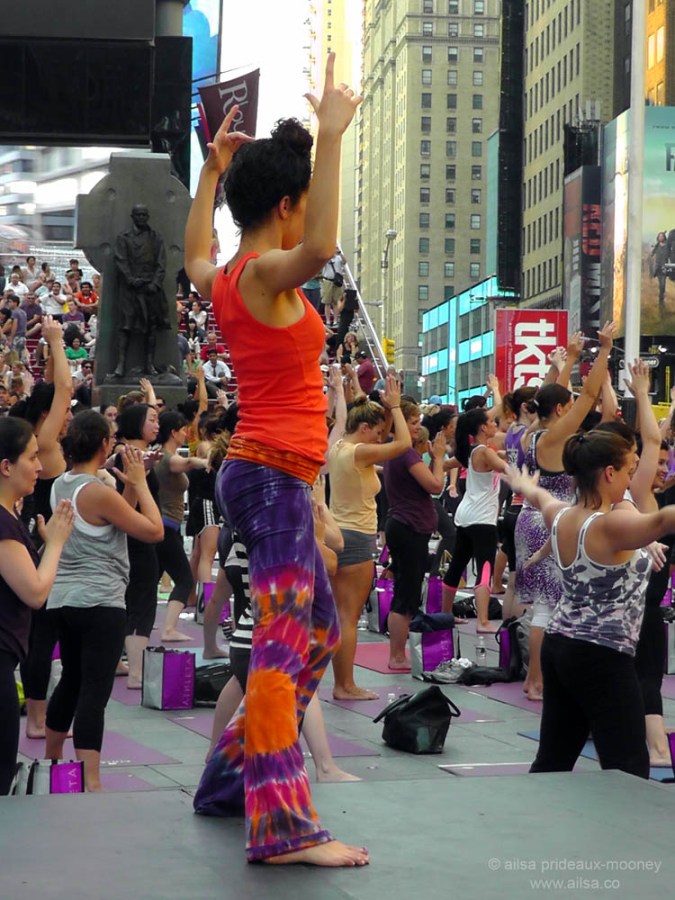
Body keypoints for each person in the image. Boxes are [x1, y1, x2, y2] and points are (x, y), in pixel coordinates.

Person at [184, 55, 367, 866]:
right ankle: (282, 827)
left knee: (315, 633)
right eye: (301, 209)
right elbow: (322, 245)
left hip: (271, 474)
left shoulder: (224, 275)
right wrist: (329, 136)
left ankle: (228, 783)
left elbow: (195, 251)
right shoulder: (260, 272)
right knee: (285, 643)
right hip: (266, 474)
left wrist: (208, 173)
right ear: (285, 206)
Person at [502, 426, 675, 779]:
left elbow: (540, 497)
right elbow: (662, 519)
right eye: (628, 471)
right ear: (609, 473)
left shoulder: (563, 515)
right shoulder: (611, 526)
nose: (630, 479)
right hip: (603, 657)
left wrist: (525, 486)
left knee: (553, 759)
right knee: (628, 768)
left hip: (560, 646)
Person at [44, 411, 163, 791]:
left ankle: (52, 762)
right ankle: (91, 780)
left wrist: (128, 482)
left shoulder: (63, 483)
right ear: (103, 445)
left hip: (65, 599)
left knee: (71, 682)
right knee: (94, 693)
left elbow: (115, 516)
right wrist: (143, 483)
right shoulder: (96, 491)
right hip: (101, 602)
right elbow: (154, 530)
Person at [515, 325, 614, 700]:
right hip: (546, 522)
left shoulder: (530, 433)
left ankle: (537, 678)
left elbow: (549, 396)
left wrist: (568, 361)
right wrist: (603, 350)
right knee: (547, 607)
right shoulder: (555, 436)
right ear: (560, 409)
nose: (574, 408)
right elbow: (590, 395)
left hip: (533, 519)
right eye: (567, 405)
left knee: (546, 603)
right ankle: (535, 680)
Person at [0, 418, 74, 795]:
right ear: (6, 466)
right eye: (32, 457)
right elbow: (34, 592)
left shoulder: (11, 514)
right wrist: (58, 542)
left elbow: (23, 577)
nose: (40, 466)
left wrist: (47, 545)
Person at [328, 376, 410, 699]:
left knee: (341, 614)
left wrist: (387, 410)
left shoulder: (339, 445)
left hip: (339, 534)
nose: (381, 437)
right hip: (357, 537)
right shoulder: (358, 452)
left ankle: (341, 682)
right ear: (364, 431)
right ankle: (344, 685)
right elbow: (402, 445)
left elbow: (385, 434)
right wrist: (395, 407)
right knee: (349, 616)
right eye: (376, 432)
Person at [384, 400, 446, 669]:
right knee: (406, 596)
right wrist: (439, 458)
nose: (418, 426)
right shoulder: (406, 454)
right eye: (412, 422)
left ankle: (398, 652)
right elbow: (435, 485)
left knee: (405, 592)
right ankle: (396, 655)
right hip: (408, 527)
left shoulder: (394, 452)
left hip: (403, 525)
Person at [441, 408, 508, 631]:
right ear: (482, 428)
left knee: (457, 564)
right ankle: (483, 621)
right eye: (490, 421)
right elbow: (506, 469)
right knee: (485, 568)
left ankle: (446, 614)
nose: (494, 423)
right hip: (482, 518)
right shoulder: (484, 451)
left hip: (466, 515)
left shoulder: (469, 452)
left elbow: (443, 465)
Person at [154, 410, 208, 641]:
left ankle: (135, 626)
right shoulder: (166, 458)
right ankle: (168, 629)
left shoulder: (160, 455)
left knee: (148, 582)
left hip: (167, 527)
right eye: (183, 429)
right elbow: (185, 462)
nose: (187, 433)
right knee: (185, 579)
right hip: (165, 526)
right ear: (173, 432)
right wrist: (207, 461)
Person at [113, 204, 171, 377]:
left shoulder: (155, 237)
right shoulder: (124, 237)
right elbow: (120, 260)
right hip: (130, 290)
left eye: (144, 215)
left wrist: (155, 283)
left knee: (151, 328)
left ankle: (149, 364)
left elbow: (161, 263)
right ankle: (121, 364)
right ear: (133, 216)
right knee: (126, 326)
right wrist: (130, 279)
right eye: (138, 215)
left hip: (150, 289)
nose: (141, 218)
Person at [651, 231, 670, 312]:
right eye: (659, 236)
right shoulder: (657, 245)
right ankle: (661, 299)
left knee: (663, 284)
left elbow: (670, 255)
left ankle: (661, 297)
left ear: (664, 237)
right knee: (661, 283)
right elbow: (652, 253)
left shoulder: (667, 246)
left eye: (662, 236)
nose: (661, 237)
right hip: (658, 267)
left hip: (664, 267)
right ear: (658, 238)